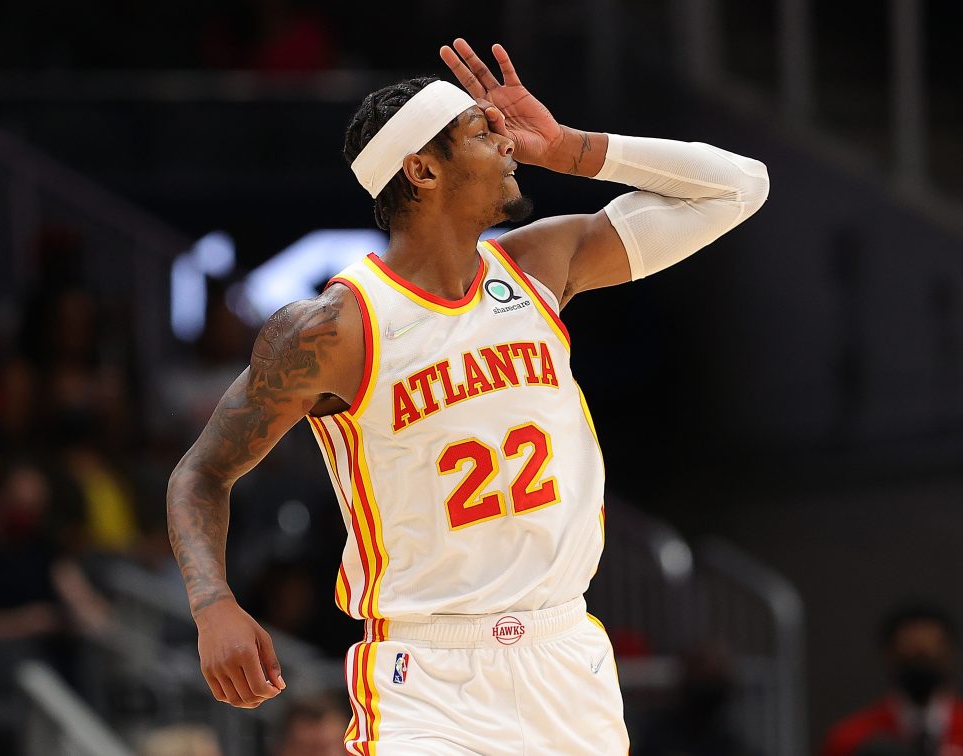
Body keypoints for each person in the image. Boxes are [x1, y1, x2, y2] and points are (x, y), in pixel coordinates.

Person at [167, 37, 769, 753]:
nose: (511, 142)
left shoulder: (540, 266)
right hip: (430, 677)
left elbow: (742, 185)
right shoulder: (336, 327)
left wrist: (574, 149)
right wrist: (212, 603)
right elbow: (200, 473)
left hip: (566, 658)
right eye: (484, 133)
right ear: (421, 169)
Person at [822, 603, 963, 756]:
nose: (921, 666)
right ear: (889, 656)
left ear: (950, 655)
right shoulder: (851, 740)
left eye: (930, 655)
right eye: (912, 657)